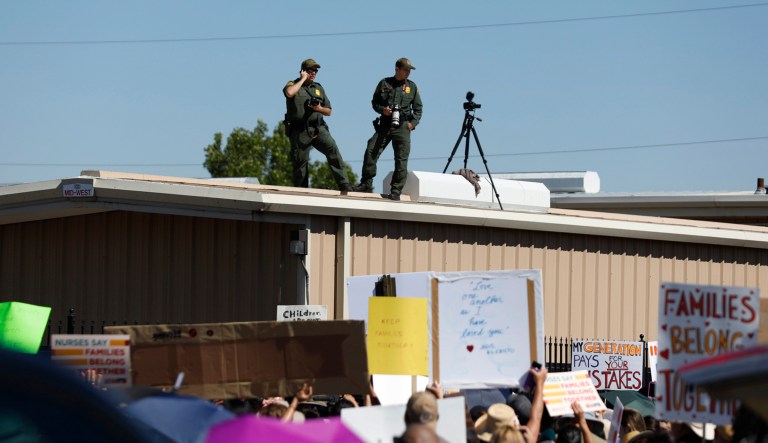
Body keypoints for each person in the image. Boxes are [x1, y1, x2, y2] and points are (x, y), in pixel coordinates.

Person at [354, 57, 423, 200]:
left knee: (401, 159)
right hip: (385, 124)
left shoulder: (412, 87)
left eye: (410, 71)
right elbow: (374, 102)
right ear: (397, 69)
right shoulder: (384, 83)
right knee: (371, 150)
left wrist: (411, 124)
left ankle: (396, 190)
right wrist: (382, 110)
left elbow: (418, 109)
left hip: (403, 126)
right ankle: (366, 184)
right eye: (406, 70)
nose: (408, 73)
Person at [283, 58, 352, 192]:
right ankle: (301, 191)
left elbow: (329, 111)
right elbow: (289, 93)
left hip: (318, 128)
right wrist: (302, 79)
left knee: (333, 151)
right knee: (300, 162)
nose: (313, 73)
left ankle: (344, 184)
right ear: (303, 71)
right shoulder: (293, 84)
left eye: (315, 71)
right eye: (310, 70)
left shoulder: (318, 88)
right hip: (300, 130)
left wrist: (319, 109)